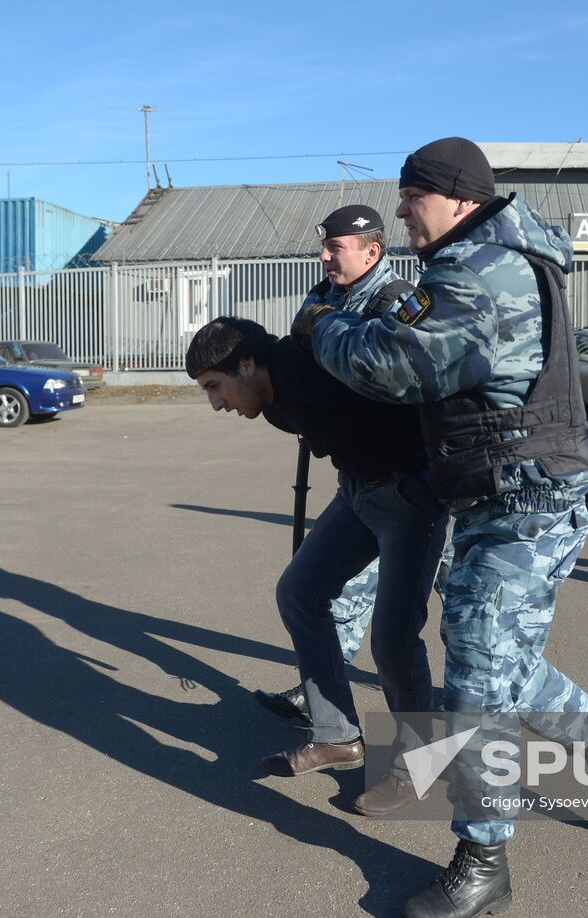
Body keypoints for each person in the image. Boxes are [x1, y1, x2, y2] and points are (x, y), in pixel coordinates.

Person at [295, 137, 588, 918]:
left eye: (410, 196)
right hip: (504, 494)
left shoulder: (479, 274)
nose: (399, 210)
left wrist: (323, 327)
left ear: (455, 197)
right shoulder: (488, 261)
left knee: (480, 662)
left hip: (528, 503)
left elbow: (393, 366)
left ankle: (483, 859)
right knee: (505, 664)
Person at [185, 313, 450, 818]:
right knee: (300, 591)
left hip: (414, 496)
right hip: (359, 490)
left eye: (216, 386)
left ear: (247, 364)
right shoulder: (271, 400)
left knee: (394, 639)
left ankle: (419, 761)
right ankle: (338, 735)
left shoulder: (312, 369)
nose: (216, 403)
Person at [252, 205, 419, 729]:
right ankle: (325, 698)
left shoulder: (399, 303)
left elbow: (386, 385)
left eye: (336, 247)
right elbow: (302, 364)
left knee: (469, 633)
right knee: (329, 591)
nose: (324, 255)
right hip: (363, 476)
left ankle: (447, 739)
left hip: (419, 483)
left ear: (373, 251)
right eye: (323, 245)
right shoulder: (326, 295)